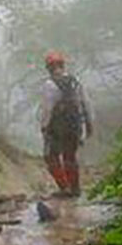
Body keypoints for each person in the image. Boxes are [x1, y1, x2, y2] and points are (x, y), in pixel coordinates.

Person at [38, 51, 93, 198]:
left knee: (50, 156)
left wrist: (44, 127)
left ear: (48, 67)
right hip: (75, 125)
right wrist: (88, 124)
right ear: (63, 65)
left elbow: (47, 109)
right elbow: (86, 103)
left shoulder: (49, 85)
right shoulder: (76, 81)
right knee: (70, 157)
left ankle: (64, 187)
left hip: (56, 127)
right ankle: (75, 188)